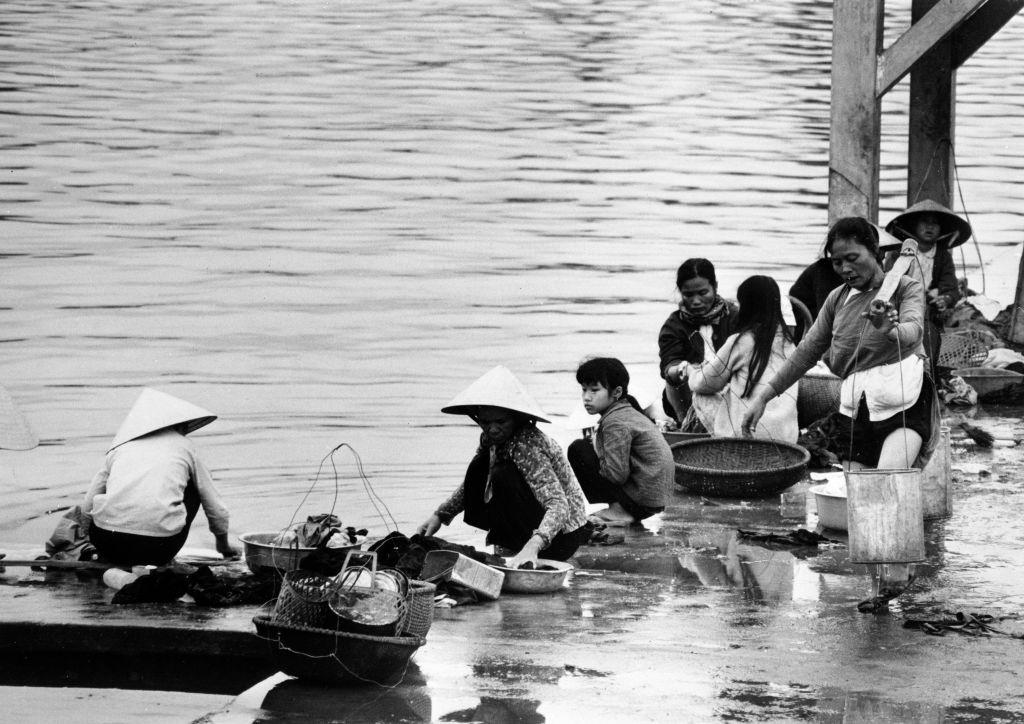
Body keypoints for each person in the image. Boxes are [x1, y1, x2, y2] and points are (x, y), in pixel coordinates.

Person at [740, 217, 934, 471]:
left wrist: (891, 331)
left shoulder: (906, 288)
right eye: (837, 262)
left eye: (852, 258)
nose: (845, 269)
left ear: (875, 250)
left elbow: (914, 331)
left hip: (903, 401)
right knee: (857, 493)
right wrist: (763, 398)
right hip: (855, 407)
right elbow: (806, 352)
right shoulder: (838, 298)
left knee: (887, 483)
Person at [416, 366, 589, 567]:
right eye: (485, 422)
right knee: (480, 465)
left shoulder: (528, 445)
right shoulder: (489, 439)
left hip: (561, 537)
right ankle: (510, 542)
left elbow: (559, 505)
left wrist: (533, 546)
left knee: (503, 473)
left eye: (501, 422)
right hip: (529, 525)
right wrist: (440, 515)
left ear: (516, 418)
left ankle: (521, 545)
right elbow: (476, 482)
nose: (493, 429)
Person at [83, 388, 239, 566]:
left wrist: (89, 540)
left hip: (107, 544)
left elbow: (88, 504)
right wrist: (223, 545)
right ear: (178, 425)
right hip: (158, 548)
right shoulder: (185, 447)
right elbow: (216, 507)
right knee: (195, 488)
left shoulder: (120, 447)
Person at [688, 275, 799, 442]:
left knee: (701, 395)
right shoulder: (790, 344)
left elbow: (704, 383)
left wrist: (692, 371)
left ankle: (723, 447)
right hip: (788, 440)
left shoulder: (742, 341)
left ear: (747, 306)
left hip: (746, 437)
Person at [566, 358, 674, 526]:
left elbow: (616, 475)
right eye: (584, 390)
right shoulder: (627, 411)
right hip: (654, 496)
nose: (586, 397)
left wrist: (598, 449)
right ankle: (622, 510)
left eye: (594, 390)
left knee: (579, 449)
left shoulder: (614, 422)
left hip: (643, 499)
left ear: (616, 392)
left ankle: (619, 511)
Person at [884, 199, 971, 374]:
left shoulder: (942, 255)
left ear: (941, 229)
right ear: (915, 226)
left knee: (930, 338)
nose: (929, 227)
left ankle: (927, 373)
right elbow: (889, 282)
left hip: (928, 310)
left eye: (935, 223)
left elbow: (951, 289)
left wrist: (944, 299)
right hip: (900, 306)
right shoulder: (899, 252)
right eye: (925, 222)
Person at [658, 258, 739, 426]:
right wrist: (684, 369)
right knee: (674, 378)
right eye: (688, 295)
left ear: (715, 287)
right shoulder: (673, 325)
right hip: (689, 394)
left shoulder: (735, 316)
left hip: (733, 391)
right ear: (680, 292)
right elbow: (669, 364)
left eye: (703, 293)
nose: (695, 301)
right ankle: (686, 424)